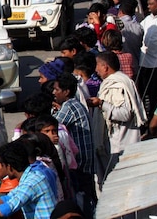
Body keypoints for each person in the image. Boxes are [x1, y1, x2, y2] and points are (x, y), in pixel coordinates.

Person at [88, 51, 147, 182]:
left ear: (105, 67)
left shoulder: (117, 85)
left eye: (97, 65)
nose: (96, 69)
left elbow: (125, 114)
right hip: (116, 143)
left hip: (120, 143)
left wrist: (101, 103)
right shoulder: (115, 81)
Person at [51, 73, 96, 216]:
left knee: (82, 200)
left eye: (56, 89)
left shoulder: (69, 105)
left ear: (66, 91)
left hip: (80, 163)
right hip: (85, 162)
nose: (54, 93)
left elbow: (53, 125)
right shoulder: (75, 103)